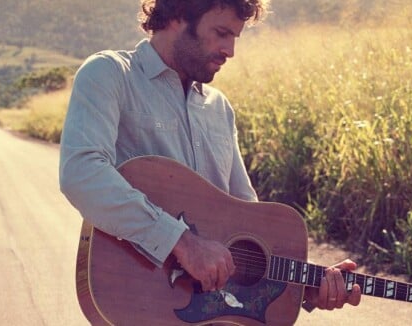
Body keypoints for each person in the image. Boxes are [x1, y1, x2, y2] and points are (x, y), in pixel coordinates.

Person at [59, 0, 361, 316]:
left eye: (234, 38)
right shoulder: (109, 74)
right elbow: (81, 173)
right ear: (177, 15)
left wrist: (303, 285)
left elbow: (249, 223)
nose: (229, 50)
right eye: (221, 33)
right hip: (139, 306)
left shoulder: (219, 108)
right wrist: (181, 242)